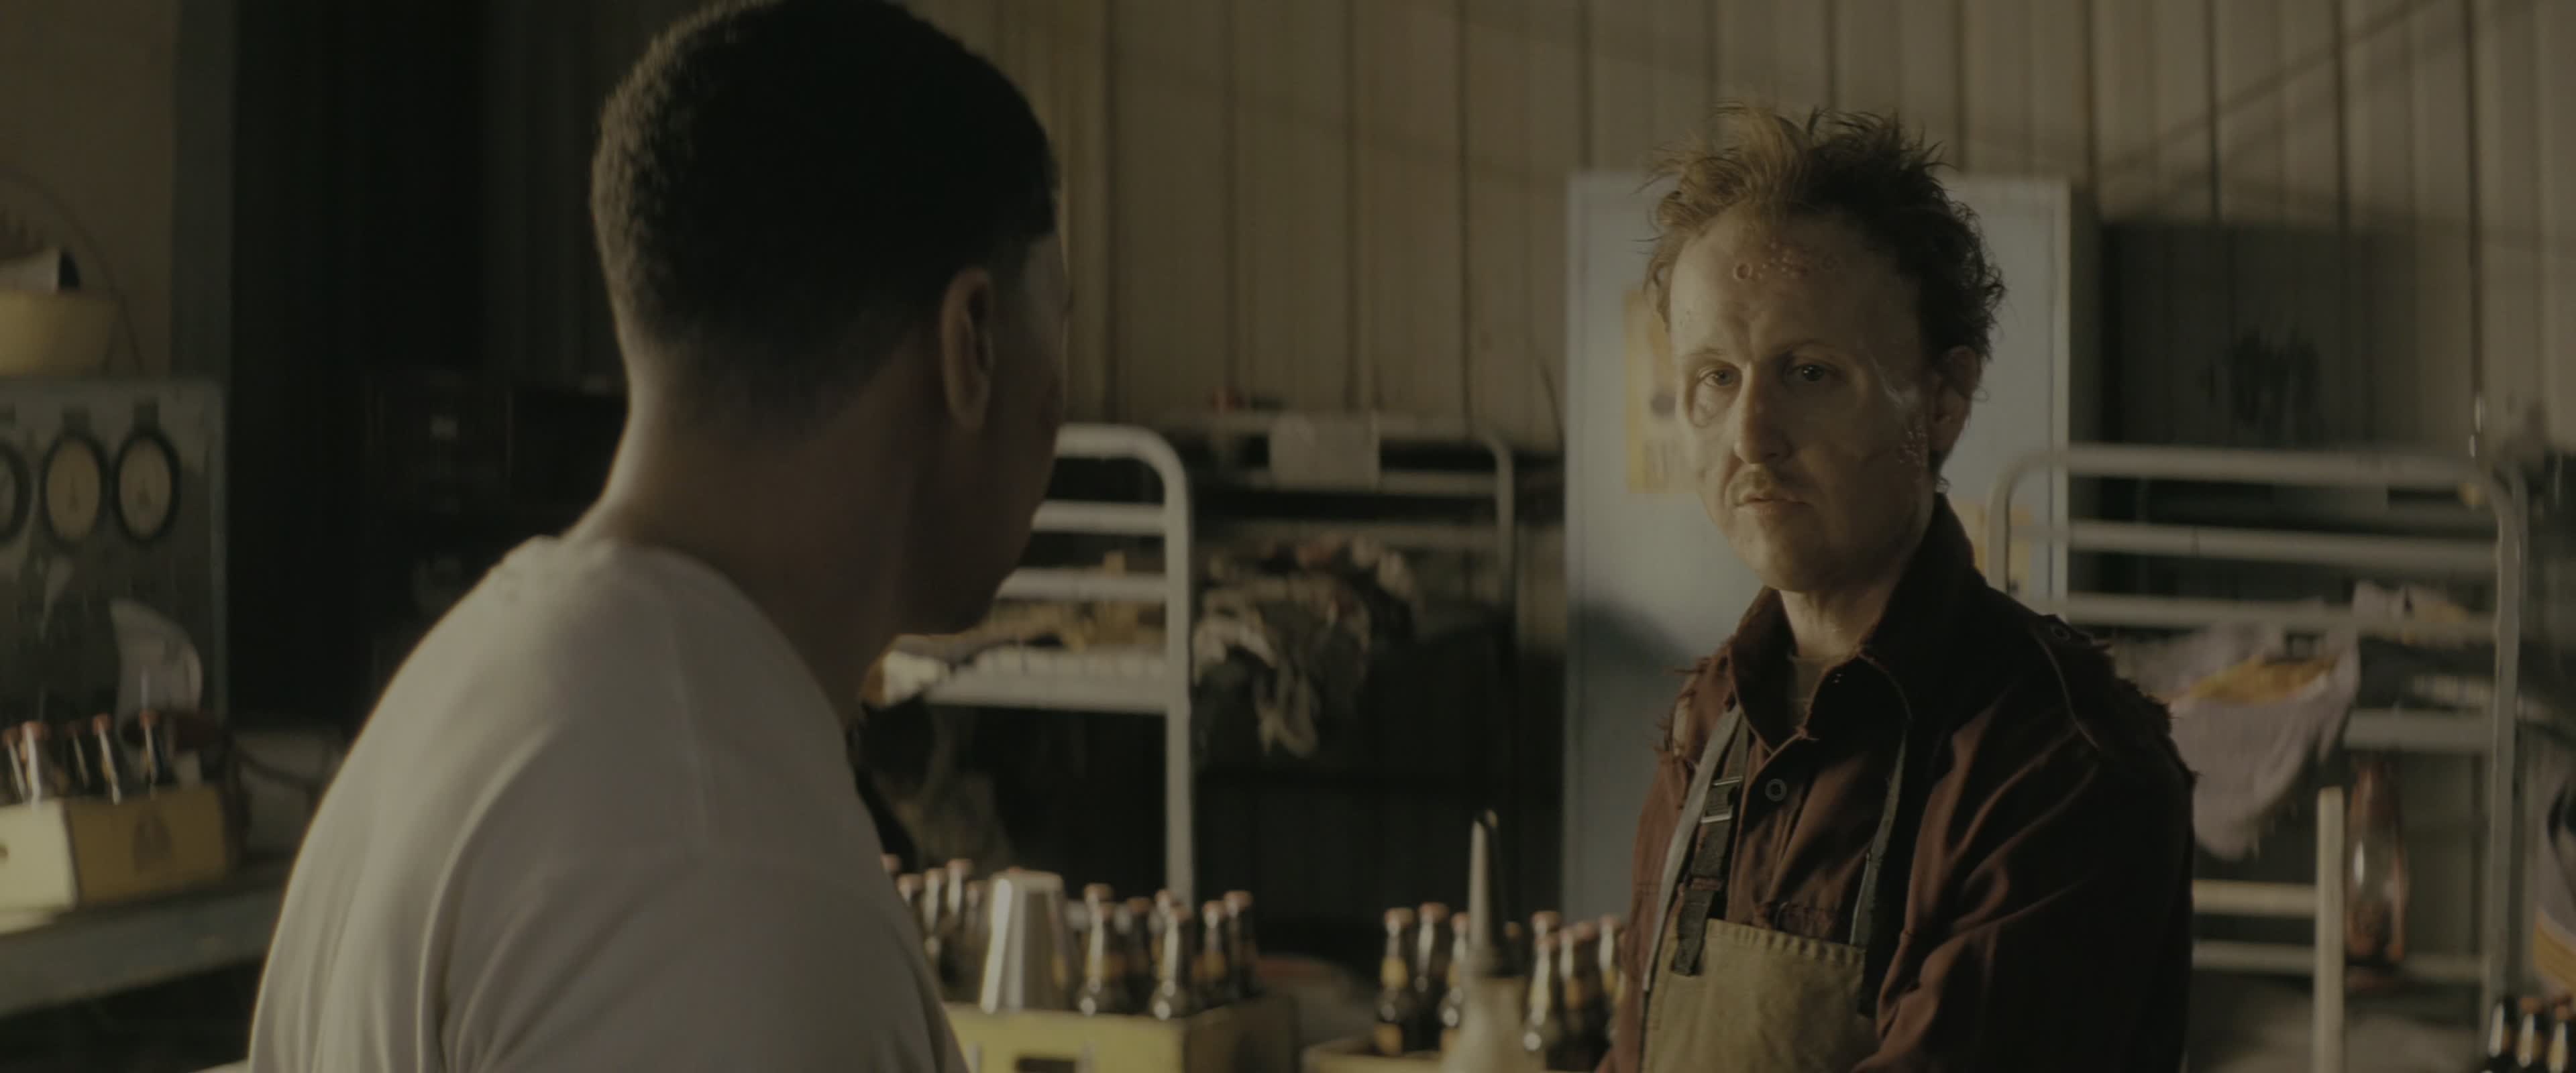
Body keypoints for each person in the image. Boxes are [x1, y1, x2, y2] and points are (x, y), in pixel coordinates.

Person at [248, 1, 1063, 1068]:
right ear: (974, 344)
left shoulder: (470, 692)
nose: (1060, 406)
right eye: (1061, 321)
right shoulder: (724, 873)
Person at [1599, 105, 2194, 1072]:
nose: (1750, 436)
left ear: (1944, 400)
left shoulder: (2059, 764)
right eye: (1715, 377)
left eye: (1809, 373)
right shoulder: (1709, 726)